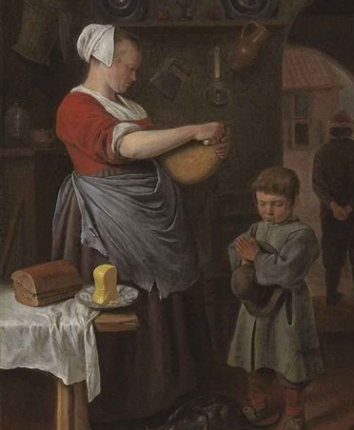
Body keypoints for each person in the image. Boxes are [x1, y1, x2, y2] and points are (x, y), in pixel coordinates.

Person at [52, 24, 229, 421]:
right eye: (129, 68)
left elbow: (162, 156)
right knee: (118, 300)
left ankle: (169, 395)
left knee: (162, 306)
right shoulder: (76, 106)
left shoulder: (133, 109)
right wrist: (194, 129)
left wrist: (203, 152)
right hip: (104, 220)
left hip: (154, 215)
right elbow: (125, 148)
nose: (135, 77)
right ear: (102, 60)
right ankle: (121, 405)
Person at [227, 167, 324, 430]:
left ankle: (294, 415)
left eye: (277, 204)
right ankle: (258, 407)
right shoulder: (256, 228)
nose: (269, 211)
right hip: (255, 309)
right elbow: (234, 249)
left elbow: (290, 272)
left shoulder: (300, 234)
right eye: (262, 203)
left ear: (295, 202)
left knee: (289, 363)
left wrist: (256, 257)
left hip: (286, 310)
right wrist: (243, 257)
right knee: (255, 358)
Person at [312, 110, 354, 306]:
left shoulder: (322, 153)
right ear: (350, 130)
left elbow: (318, 185)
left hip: (331, 216)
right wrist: (348, 208)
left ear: (331, 130)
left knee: (332, 256)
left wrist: (333, 206)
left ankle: (331, 295)